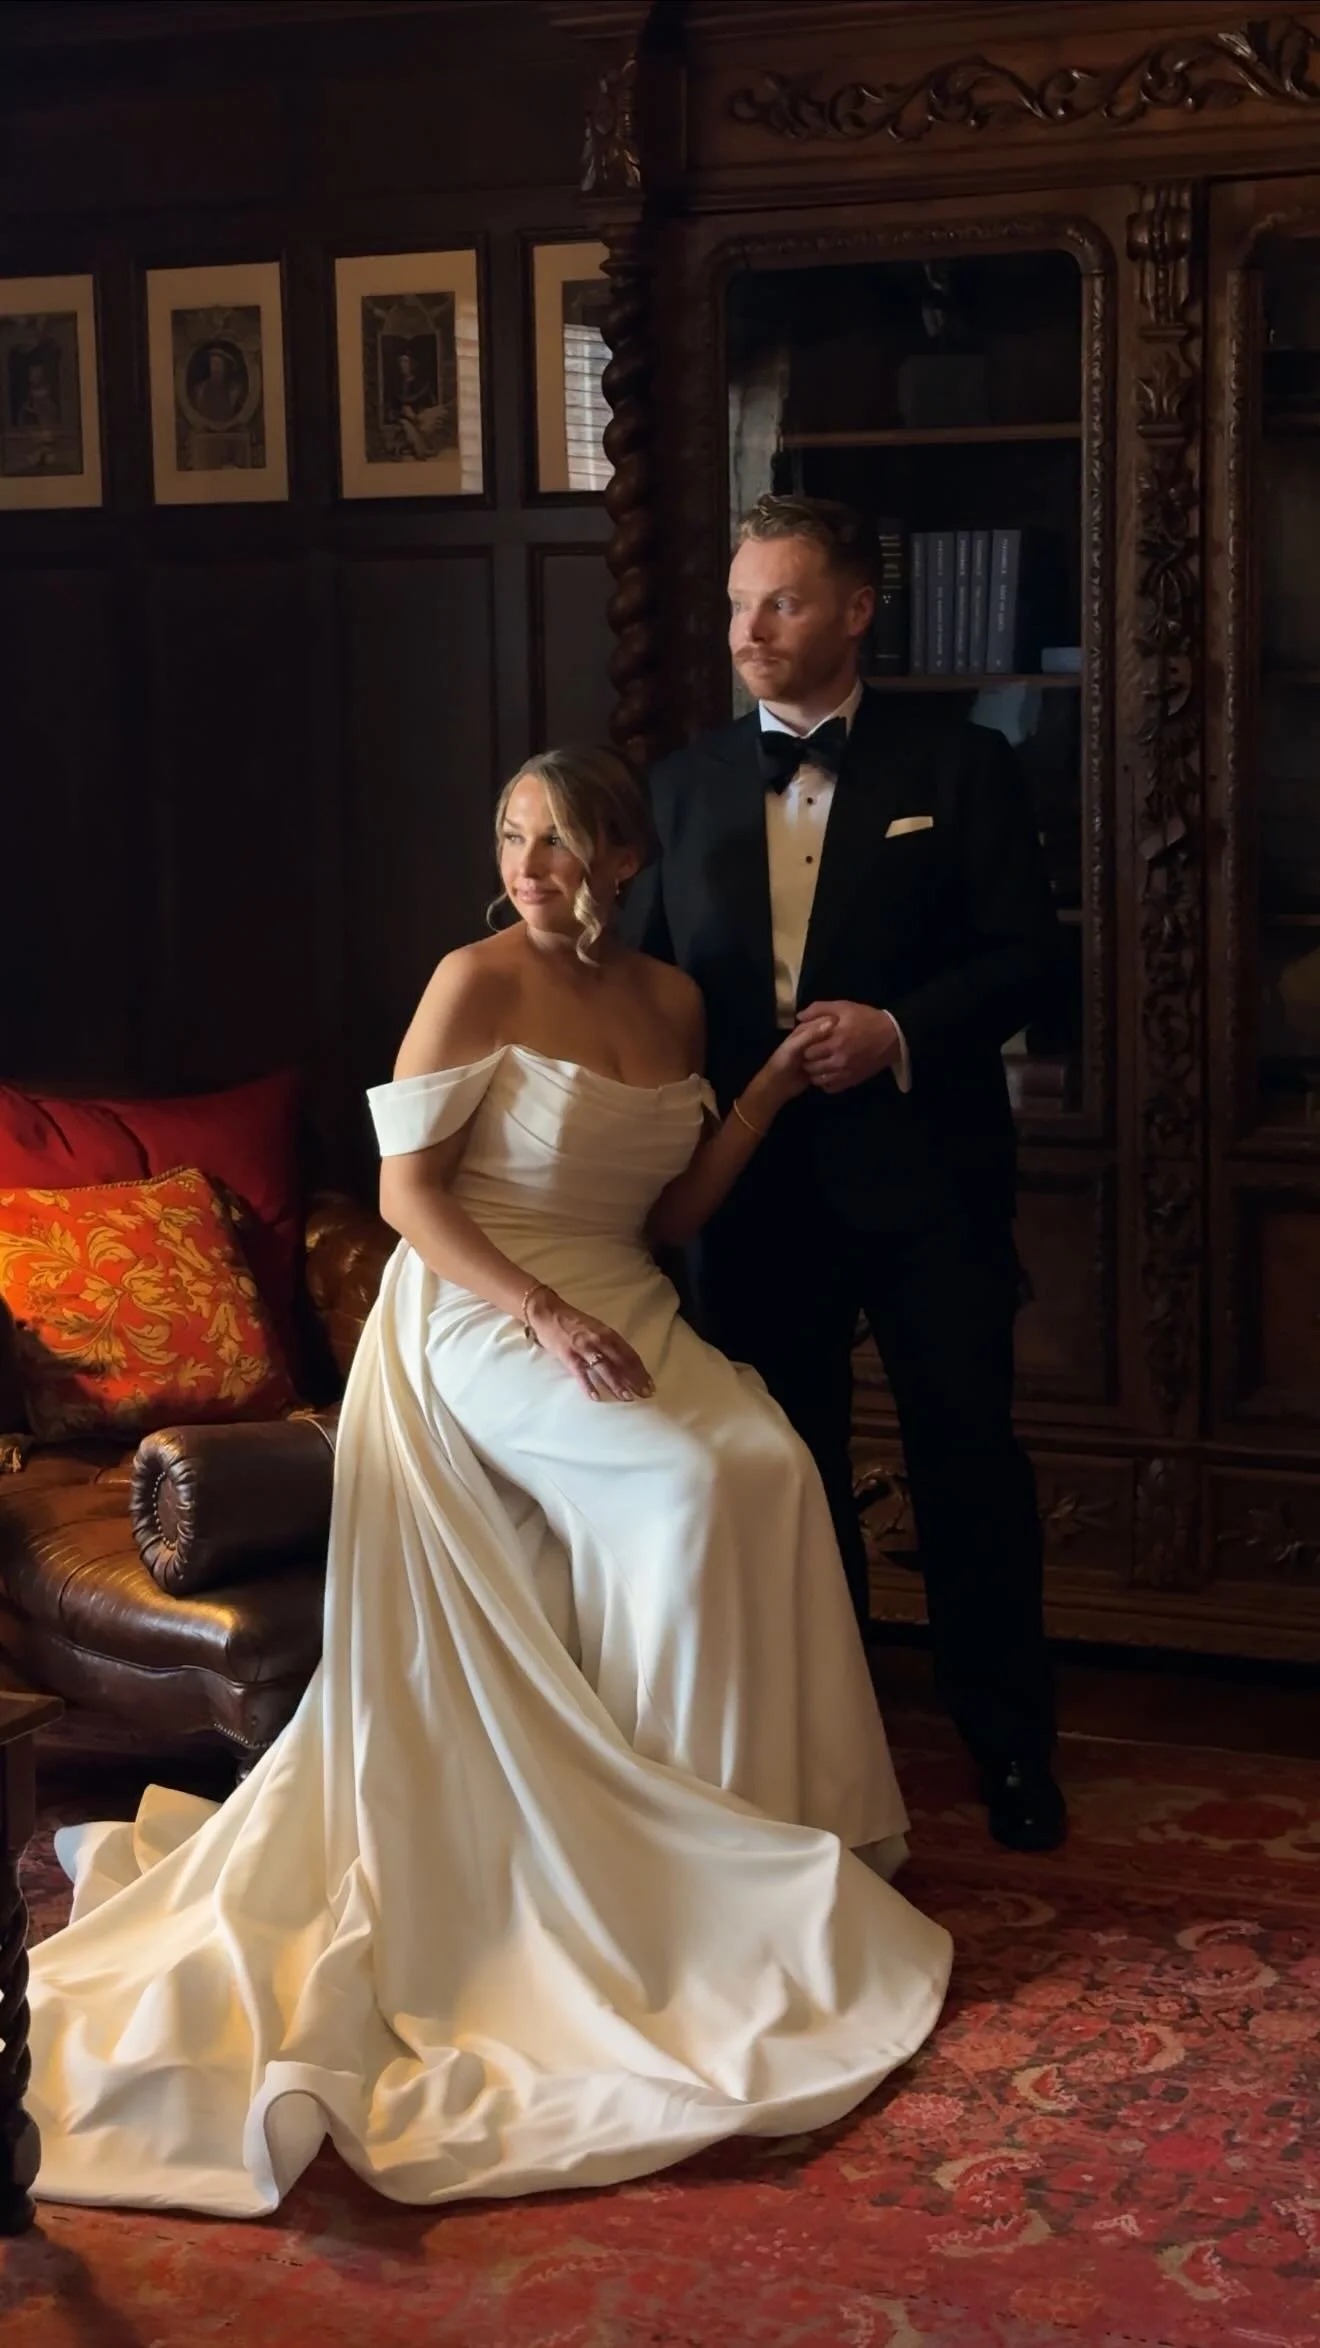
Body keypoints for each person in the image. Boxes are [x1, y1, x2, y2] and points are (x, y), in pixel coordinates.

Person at [20, 744, 951, 2218]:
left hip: (617, 1297)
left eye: (565, 845)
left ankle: (769, 1840)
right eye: (516, 839)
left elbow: (679, 1204)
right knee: (687, 1490)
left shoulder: (671, 1002)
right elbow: (405, 1198)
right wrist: (542, 1314)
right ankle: (674, 1887)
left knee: (765, 1462)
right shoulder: (473, 978)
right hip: (477, 1312)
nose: (534, 868)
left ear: (625, 865)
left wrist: (764, 1091)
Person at [626, 494, 1067, 1853]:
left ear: (858, 610)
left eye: (786, 603)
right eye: (741, 604)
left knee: (966, 1460)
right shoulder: (683, 784)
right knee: (790, 1476)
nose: (752, 632)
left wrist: (898, 1030)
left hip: (929, 1177)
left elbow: (1029, 961)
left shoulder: (967, 765)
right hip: (749, 1197)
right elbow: (642, 984)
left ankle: (1010, 1751)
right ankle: (828, 1757)